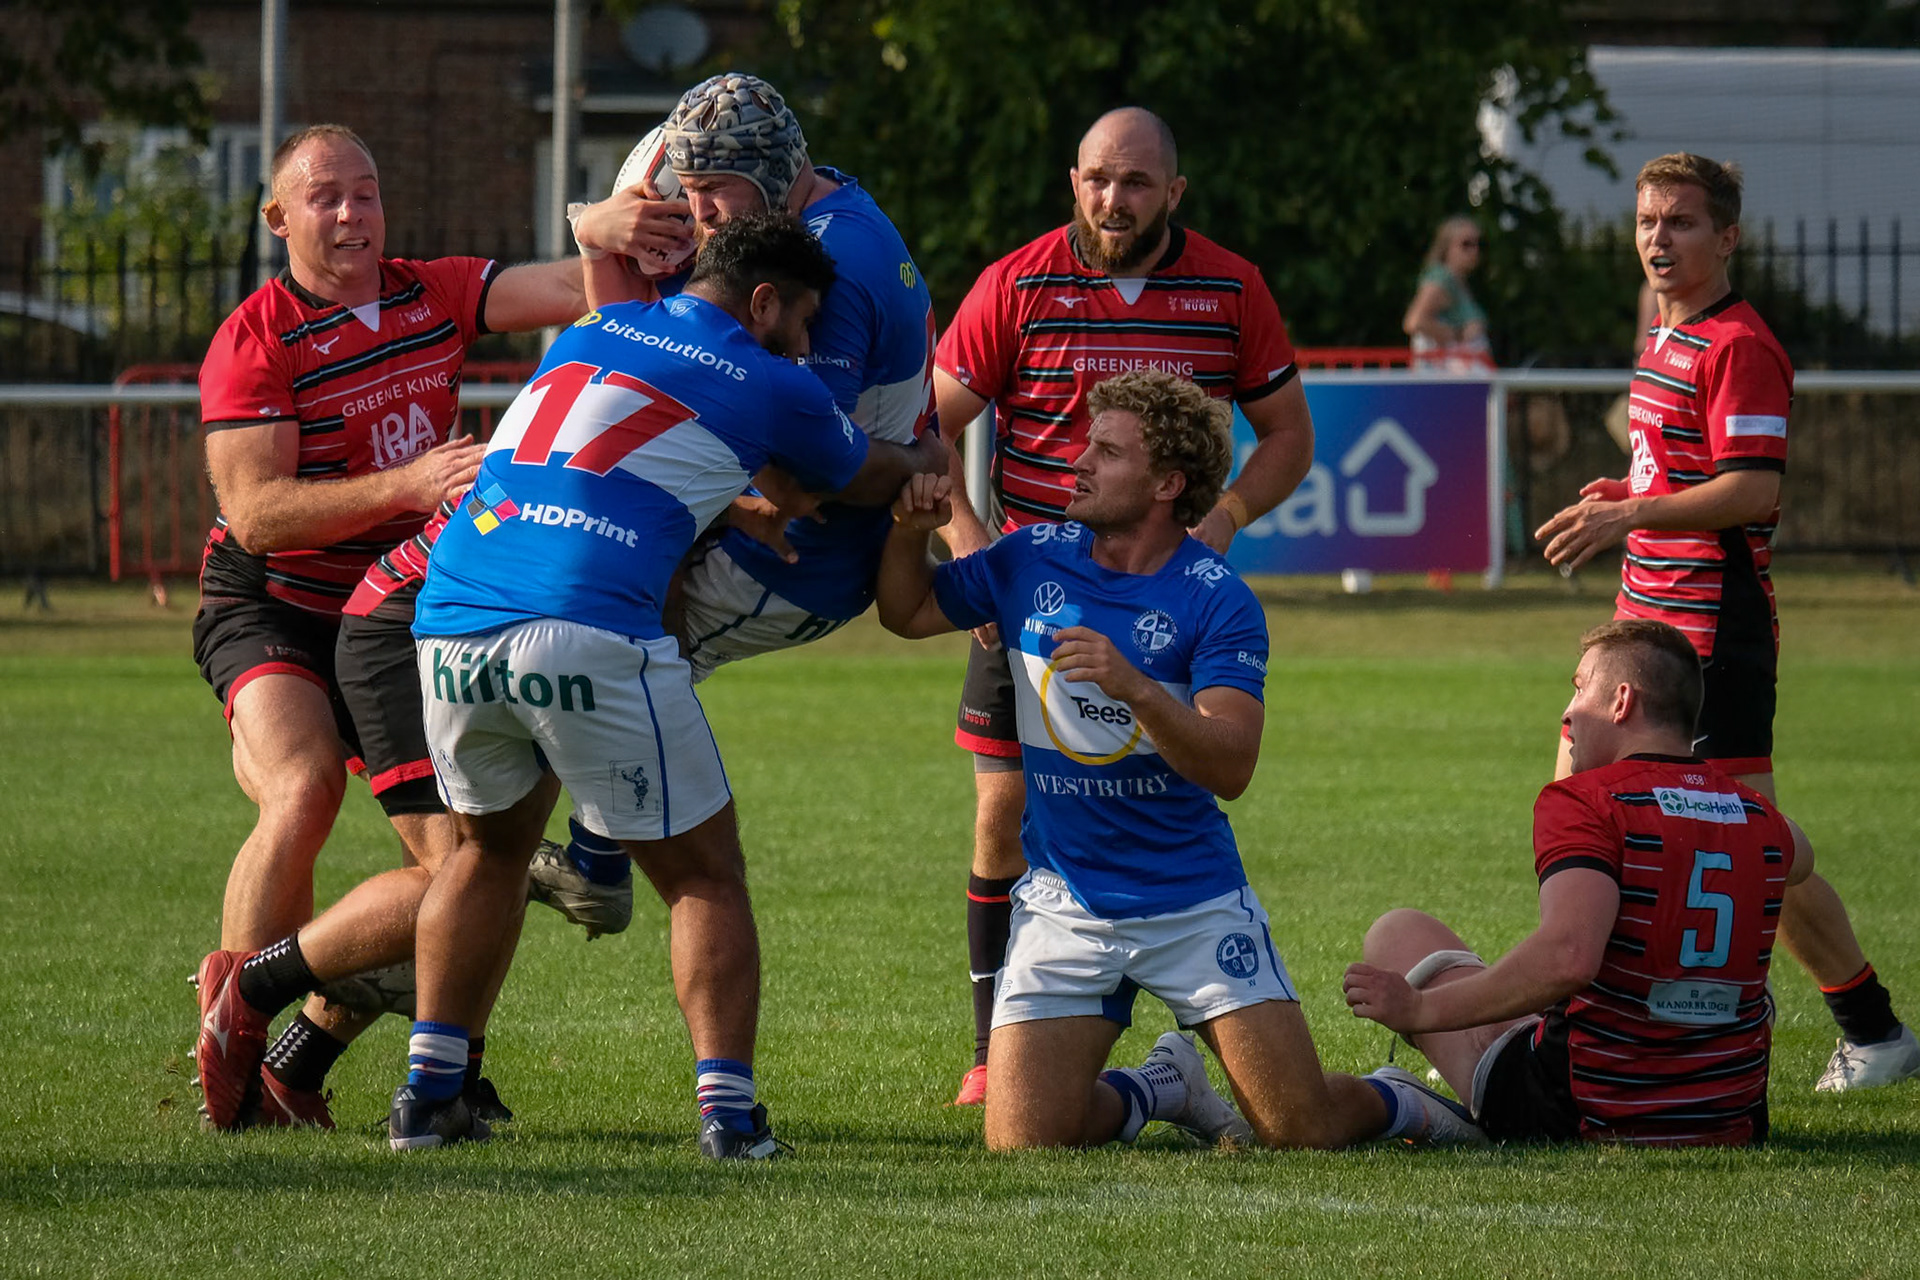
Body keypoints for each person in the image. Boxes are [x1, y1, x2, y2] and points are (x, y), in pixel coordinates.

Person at [389, 213, 945, 1154]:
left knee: (483, 854)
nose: (807, 344)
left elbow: (611, 455)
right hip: (584, 620)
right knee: (703, 875)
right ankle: (731, 1119)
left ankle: (426, 1099)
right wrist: (926, 458)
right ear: (763, 301)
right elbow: (851, 474)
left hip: (452, 614)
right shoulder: (770, 376)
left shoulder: (594, 329)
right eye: (804, 320)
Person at [877, 368, 1480, 1152]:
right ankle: (1160, 1087)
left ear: (1166, 484)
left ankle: (1398, 1100)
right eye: (1086, 445)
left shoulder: (1216, 598)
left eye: (1107, 452)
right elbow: (907, 611)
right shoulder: (1028, 558)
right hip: (1065, 901)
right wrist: (908, 531)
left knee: (1299, 1130)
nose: (1079, 463)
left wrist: (1136, 688)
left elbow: (1232, 765)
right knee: (1025, 1143)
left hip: (1193, 900)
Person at [189, 124, 593, 1131]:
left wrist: (630, 224)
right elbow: (257, 515)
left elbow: (571, 284)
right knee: (305, 785)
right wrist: (408, 485)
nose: (350, 213)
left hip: (393, 612)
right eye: (324, 196)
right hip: (272, 603)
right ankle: (231, 1051)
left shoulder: (433, 293)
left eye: (365, 192)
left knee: (466, 867)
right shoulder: (257, 336)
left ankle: (337, 1055)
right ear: (278, 218)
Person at [930, 107, 1315, 1105]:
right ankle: (993, 1049)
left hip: (1163, 595)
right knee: (1003, 811)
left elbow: (1289, 434)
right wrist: (967, 539)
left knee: (1170, 778)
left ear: (1173, 193)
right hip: (1033, 594)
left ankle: (1188, 974)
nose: (1114, 199)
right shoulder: (1017, 283)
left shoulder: (1230, 287)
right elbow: (929, 422)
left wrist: (1224, 518)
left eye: (1136, 183)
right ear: (1074, 181)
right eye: (1098, 179)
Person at [1534, 153, 1917, 1092]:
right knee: (1577, 798)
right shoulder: (1668, 332)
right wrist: (1631, 489)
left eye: (1682, 222)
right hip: (1645, 623)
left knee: (1761, 847)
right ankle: (1578, 1014)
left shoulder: (1739, 344)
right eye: (1647, 221)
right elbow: (1684, 470)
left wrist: (1635, 511)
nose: (1658, 239)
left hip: (1711, 639)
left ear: (1728, 236)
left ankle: (1870, 1028)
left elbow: (1751, 490)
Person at [524, 71, 940, 923]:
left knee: (594, 658)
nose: (699, 211)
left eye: (713, 188)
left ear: (774, 172)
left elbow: (800, 472)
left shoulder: (829, 268)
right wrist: (597, 232)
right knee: (589, 654)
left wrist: (740, 496)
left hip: (797, 556)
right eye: (687, 187)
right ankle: (569, 857)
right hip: (781, 530)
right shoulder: (797, 223)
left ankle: (568, 861)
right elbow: (648, 355)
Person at [1345, 619, 1812, 1145]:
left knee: (1398, 932)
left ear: (1621, 701)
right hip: (1727, 1114)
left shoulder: (1586, 800)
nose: (1567, 713)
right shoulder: (1756, 815)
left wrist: (1419, 1008)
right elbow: (1801, 858)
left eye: (1580, 688)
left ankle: (1419, 1108)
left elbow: (1568, 958)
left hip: (1586, 1111)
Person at [1402, 215, 1493, 372]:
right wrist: (1458, 336)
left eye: (1478, 244)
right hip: (1448, 376)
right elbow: (1414, 322)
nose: (1474, 250)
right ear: (1447, 247)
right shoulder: (1441, 280)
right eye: (1466, 244)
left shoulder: (1458, 281)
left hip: (1464, 374)